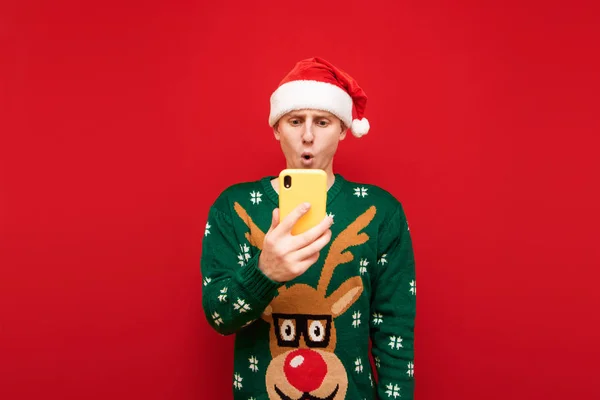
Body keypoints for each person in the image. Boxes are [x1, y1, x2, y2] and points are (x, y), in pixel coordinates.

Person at [201, 57, 416, 400]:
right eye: (295, 120)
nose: (307, 136)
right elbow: (219, 318)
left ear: (344, 129)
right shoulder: (234, 207)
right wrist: (264, 272)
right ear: (276, 128)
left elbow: (395, 330)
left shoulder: (380, 212)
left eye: (323, 122)